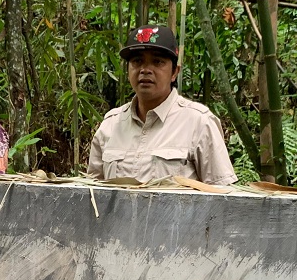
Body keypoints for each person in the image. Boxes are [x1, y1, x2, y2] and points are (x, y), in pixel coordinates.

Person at [87, 24, 236, 186]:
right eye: (137, 61)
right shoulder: (110, 124)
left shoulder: (199, 123)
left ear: (174, 72)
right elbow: (92, 192)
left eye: (157, 62)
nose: (145, 70)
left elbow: (221, 194)